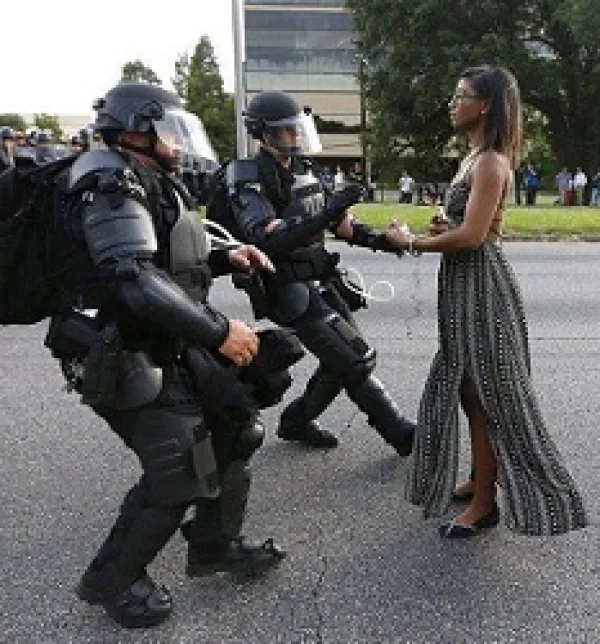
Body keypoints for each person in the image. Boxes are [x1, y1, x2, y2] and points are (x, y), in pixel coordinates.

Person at [44, 82, 288, 629]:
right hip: (122, 349)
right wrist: (220, 330)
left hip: (165, 340)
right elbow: (133, 279)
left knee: (236, 428)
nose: (179, 142)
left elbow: (166, 259)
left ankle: (213, 544)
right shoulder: (108, 181)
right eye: (169, 129)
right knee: (177, 472)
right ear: (135, 130)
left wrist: (228, 259)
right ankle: (111, 579)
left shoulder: (143, 178)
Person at [385, 65, 587, 538]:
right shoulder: (473, 158)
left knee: (489, 395)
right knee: (468, 389)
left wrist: (411, 241)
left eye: (462, 95)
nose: (454, 103)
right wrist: (442, 226)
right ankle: (481, 478)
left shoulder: (493, 160)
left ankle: (485, 504)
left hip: (483, 287)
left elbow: (475, 237)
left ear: (487, 104)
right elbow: (465, 227)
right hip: (463, 284)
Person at [207, 90, 415, 453]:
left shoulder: (304, 169)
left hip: (320, 277)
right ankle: (400, 433)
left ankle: (296, 421)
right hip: (285, 286)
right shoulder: (247, 176)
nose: (295, 137)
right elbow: (265, 238)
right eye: (286, 131)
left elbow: (343, 225)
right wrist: (324, 213)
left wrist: (386, 240)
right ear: (263, 133)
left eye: (297, 129)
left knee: (342, 360)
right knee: (354, 360)